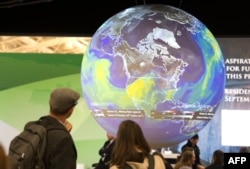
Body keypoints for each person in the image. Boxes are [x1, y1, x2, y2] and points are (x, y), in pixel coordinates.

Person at [39, 87, 80, 169]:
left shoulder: (33, 127)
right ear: (71, 110)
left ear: (50, 103)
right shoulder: (63, 139)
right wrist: (62, 133)